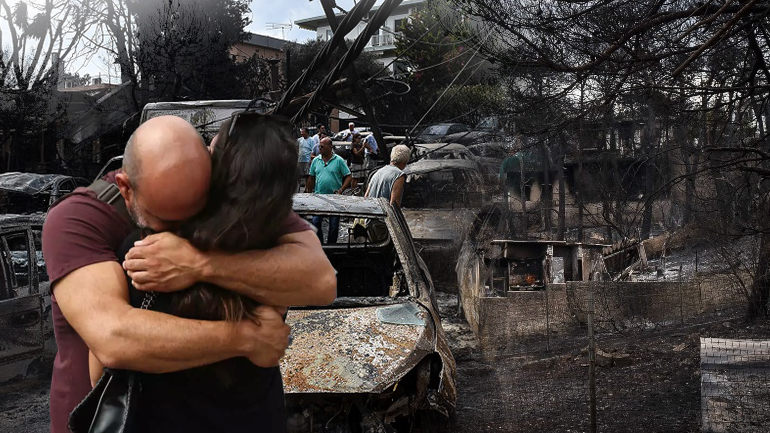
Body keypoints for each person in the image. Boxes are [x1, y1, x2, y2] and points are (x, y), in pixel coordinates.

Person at [42, 115, 337, 433]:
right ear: (126, 188)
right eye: (164, 219)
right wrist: (247, 336)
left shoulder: (233, 211)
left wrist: (200, 264)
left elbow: (319, 279)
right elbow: (114, 341)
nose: (179, 233)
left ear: (210, 170)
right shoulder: (78, 220)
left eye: (196, 209)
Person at [305, 137, 352, 244]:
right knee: (316, 221)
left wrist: (341, 189)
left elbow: (348, 176)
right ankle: (321, 244)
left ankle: (332, 246)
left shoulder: (338, 160)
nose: (320, 148)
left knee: (334, 225)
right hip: (319, 197)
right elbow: (311, 177)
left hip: (334, 198)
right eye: (319, 146)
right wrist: (309, 192)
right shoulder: (316, 160)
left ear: (330, 147)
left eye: (322, 146)